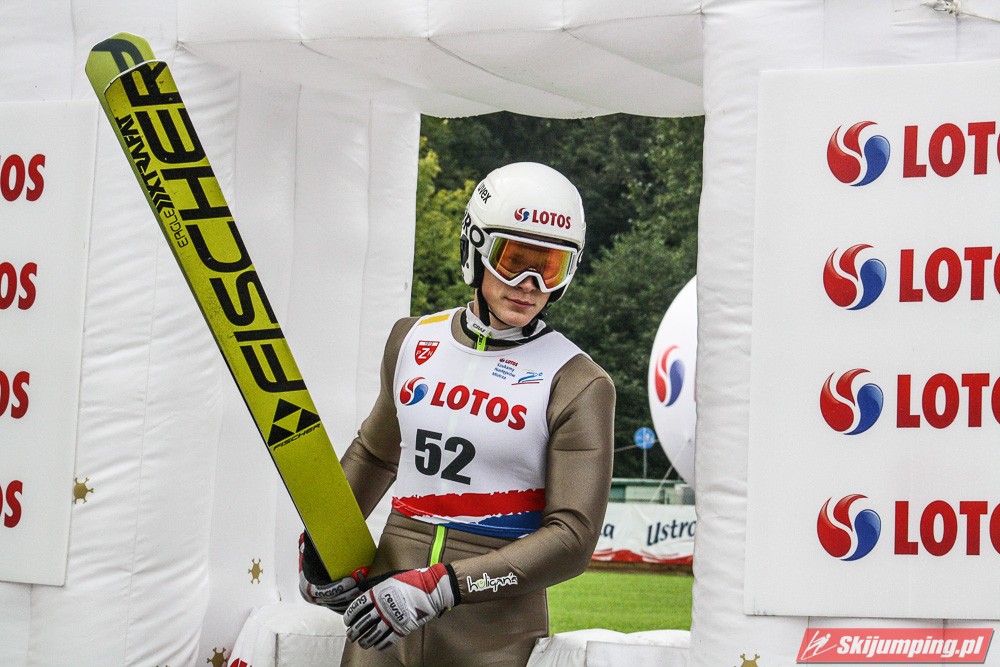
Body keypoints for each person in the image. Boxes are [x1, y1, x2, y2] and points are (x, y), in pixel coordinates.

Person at [298, 161, 616, 667]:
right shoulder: (411, 339)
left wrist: (444, 585)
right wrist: (320, 545)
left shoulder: (578, 381)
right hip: (385, 619)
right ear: (475, 247)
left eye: (550, 267)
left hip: (491, 635)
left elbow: (572, 539)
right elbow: (375, 455)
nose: (530, 284)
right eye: (514, 260)